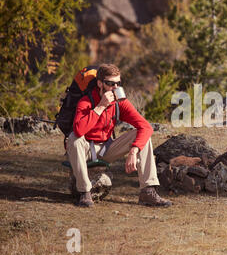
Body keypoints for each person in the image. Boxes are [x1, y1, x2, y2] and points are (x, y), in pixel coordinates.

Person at [66, 63, 172, 208]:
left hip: (106, 148)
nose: (115, 88)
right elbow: (79, 130)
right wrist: (101, 106)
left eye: (118, 83)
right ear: (100, 83)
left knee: (142, 136)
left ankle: (148, 191)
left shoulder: (119, 103)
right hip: (84, 149)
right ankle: (84, 193)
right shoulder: (86, 101)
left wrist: (134, 150)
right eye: (110, 84)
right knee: (74, 139)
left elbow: (146, 126)